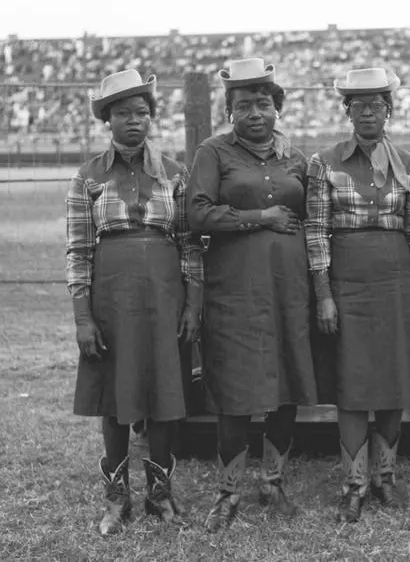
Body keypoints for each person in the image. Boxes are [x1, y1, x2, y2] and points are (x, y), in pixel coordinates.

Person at [66, 69, 204, 535]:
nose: (134, 121)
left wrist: (193, 304)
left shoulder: (175, 173)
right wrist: (83, 318)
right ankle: (116, 497)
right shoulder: (88, 176)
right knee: (115, 395)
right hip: (112, 300)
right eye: (123, 113)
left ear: (151, 118)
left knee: (166, 392)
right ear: (107, 119)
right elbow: (79, 251)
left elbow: (190, 245)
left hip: (165, 298)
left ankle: (160, 495)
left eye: (142, 112)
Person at [186, 59, 317, 531]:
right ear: (229, 111)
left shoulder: (298, 159)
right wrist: (260, 219)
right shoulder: (213, 153)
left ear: (278, 108)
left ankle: (273, 482)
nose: (255, 112)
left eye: (264, 103)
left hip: (288, 288)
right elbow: (197, 215)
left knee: (284, 385)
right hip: (234, 290)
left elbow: (315, 220)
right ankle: (228, 492)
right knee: (236, 389)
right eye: (244, 105)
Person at [305, 68, 410, 523]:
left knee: (395, 381)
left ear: (388, 111)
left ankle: (386, 477)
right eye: (357, 105)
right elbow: (316, 233)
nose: (366, 113)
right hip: (347, 283)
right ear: (347, 111)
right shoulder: (324, 163)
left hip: (397, 284)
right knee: (353, 384)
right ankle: (354, 483)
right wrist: (323, 294)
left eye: (375, 105)